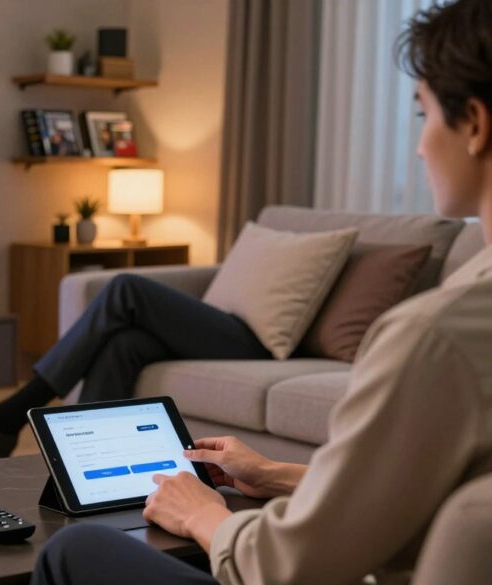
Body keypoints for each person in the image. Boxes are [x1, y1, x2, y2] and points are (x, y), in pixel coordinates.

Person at [28, 1, 492, 583]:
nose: (421, 147)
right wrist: (273, 474)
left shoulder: (433, 337)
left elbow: (294, 564)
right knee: (126, 342)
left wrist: (206, 517)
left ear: (474, 123)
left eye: (423, 114)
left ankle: (13, 406)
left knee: (74, 550)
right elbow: (410, 497)